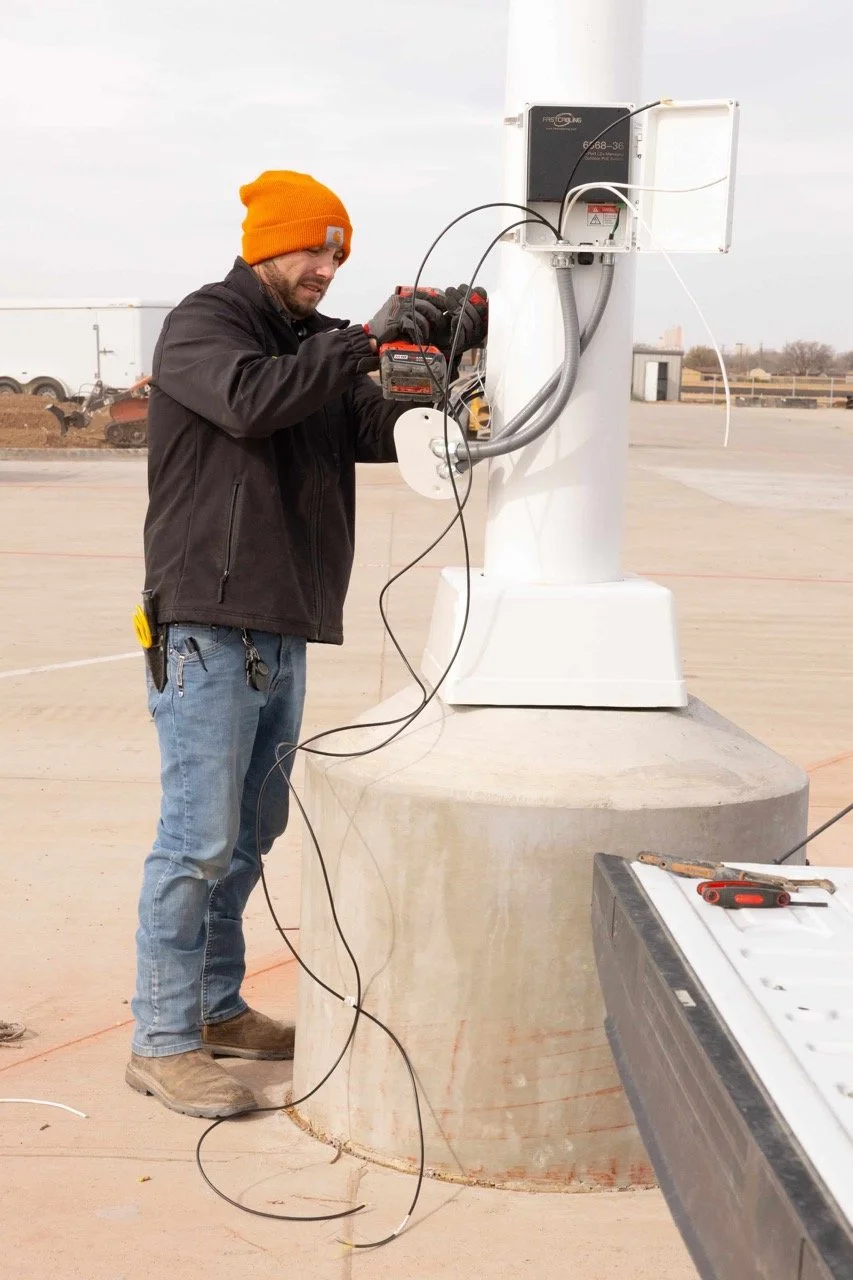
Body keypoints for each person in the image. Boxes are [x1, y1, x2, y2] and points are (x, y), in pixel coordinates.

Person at [126, 170, 487, 1118]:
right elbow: (252, 401)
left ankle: (213, 1007)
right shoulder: (205, 327)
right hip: (207, 621)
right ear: (263, 245)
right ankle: (161, 1038)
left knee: (250, 836)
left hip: (282, 627)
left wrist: (441, 377)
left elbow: (369, 425)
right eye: (312, 251)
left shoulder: (320, 347)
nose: (326, 268)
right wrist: (367, 340)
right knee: (197, 840)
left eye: (339, 255)